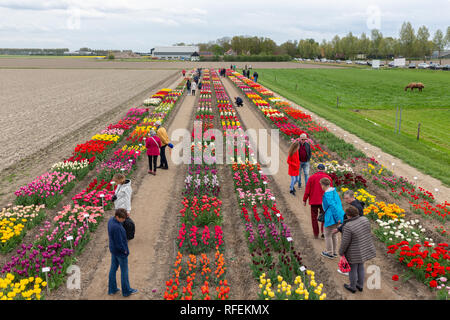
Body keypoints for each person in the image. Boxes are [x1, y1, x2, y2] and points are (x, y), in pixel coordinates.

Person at [339, 206, 376, 293]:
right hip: (364, 248)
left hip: (353, 252)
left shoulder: (348, 226)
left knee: (353, 269)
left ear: (349, 216)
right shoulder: (364, 219)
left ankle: (352, 287)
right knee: (361, 266)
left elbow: (345, 242)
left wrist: (341, 251)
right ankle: (360, 285)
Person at [108, 208, 138, 297]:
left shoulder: (111, 220)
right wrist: (125, 251)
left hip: (113, 250)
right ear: (117, 217)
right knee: (124, 271)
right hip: (120, 252)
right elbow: (119, 243)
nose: (124, 220)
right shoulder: (117, 227)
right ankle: (126, 291)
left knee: (113, 269)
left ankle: (112, 289)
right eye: (122, 218)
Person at [303, 163, 333, 239]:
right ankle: (323, 231)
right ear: (324, 169)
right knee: (325, 216)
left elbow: (307, 190)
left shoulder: (311, 178)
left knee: (314, 217)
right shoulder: (328, 178)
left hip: (314, 201)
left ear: (317, 169)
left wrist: (304, 199)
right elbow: (331, 191)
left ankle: (316, 233)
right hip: (325, 202)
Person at [320, 177, 344, 259]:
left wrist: (337, 218)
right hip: (338, 214)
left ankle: (329, 252)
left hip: (331, 217)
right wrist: (340, 217)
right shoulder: (334, 191)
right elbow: (338, 204)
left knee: (327, 234)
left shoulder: (327, 194)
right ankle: (334, 252)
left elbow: (332, 206)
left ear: (323, 185)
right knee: (334, 234)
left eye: (321, 185)